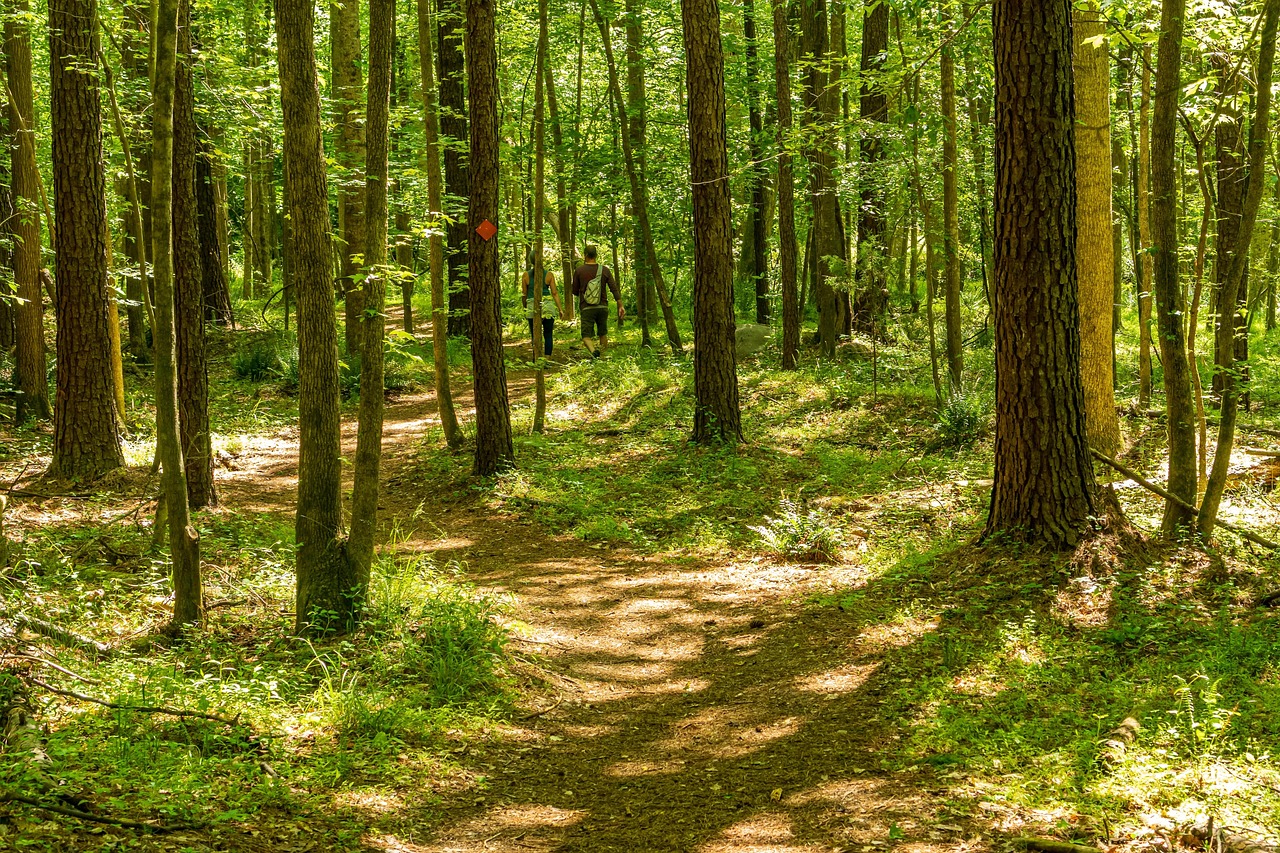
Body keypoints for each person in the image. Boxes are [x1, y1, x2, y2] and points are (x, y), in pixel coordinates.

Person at [571, 244, 624, 358]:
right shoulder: (604, 270)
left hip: (586, 307)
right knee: (602, 333)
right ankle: (602, 356)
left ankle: (593, 351)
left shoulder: (579, 270)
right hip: (602, 307)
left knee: (586, 336)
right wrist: (620, 305)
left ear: (585, 255)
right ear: (596, 255)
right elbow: (613, 288)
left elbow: (574, 291)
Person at [522, 250, 565, 357]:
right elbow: (554, 293)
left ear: (531, 261)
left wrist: (525, 308)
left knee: (534, 335)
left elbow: (524, 294)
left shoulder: (526, 275)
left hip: (532, 307)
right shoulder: (549, 275)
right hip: (547, 306)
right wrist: (560, 309)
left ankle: (536, 357)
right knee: (548, 334)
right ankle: (547, 358)